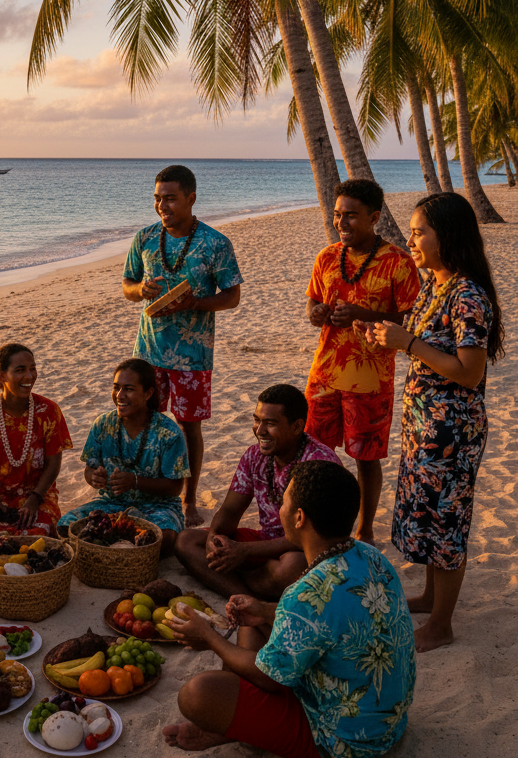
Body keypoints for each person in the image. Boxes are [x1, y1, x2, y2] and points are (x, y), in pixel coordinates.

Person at [163, 460, 416, 758]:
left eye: (283, 502)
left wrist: (209, 637)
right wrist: (266, 610)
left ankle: (229, 725)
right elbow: (334, 619)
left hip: (345, 742)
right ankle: (236, 722)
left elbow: (268, 680)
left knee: (197, 695)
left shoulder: (307, 593)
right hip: (389, 723)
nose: (279, 509)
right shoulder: (370, 556)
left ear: (299, 518)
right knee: (250, 625)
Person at [358, 192, 504, 652]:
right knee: (429, 514)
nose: (411, 239)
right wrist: (387, 337)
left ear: (448, 235)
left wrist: (407, 344)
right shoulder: (436, 285)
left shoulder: (467, 295)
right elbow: (425, 345)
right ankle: (428, 595)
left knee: (447, 521)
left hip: (452, 431)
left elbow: (469, 370)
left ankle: (442, 624)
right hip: (425, 424)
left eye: (420, 231)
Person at [122, 165, 242, 526]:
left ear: (191, 199)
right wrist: (139, 291)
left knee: (190, 427)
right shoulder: (143, 238)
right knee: (145, 423)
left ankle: (189, 499)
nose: (162, 206)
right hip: (148, 352)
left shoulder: (215, 243)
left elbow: (233, 295)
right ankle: (147, 491)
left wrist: (195, 303)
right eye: (158, 198)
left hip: (193, 356)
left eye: (170, 199)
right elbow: (127, 284)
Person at [304, 179, 421, 544]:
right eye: (338, 215)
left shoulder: (398, 263)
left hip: (372, 378)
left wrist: (363, 314)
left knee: (365, 459)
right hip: (324, 373)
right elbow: (311, 303)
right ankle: (318, 524)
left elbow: (414, 321)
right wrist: (317, 312)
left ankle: (365, 527)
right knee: (315, 454)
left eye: (351, 216)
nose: (342, 222)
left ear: (374, 217)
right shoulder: (326, 256)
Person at [175, 384, 340, 600]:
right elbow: (230, 510)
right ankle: (245, 597)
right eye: (257, 420)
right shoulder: (255, 455)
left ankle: (239, 587)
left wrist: (244, 552)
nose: (259, 430)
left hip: (301, 550)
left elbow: (308, 537)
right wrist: (214, 539)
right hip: (264, 542)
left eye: (270, 423)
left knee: (292, 566)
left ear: (297, 426)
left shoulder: (319, 464)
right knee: (186, 541)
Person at [58, 359, 189, 555]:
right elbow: (89, 469)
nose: (120, 395)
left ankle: (113, 549)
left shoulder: (168, 433)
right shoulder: (103, 424)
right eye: (116, 388)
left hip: (157, 507)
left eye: (128, 389)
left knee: (163, 538)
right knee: (65, 526)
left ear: (148, 393)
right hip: (112, 504)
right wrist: (95, 477)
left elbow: (175, 487)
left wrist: (135, 482)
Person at [0, 343, 73, 541]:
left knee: (40, 534)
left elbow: (54, 464)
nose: (29, 376)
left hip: (37, 493)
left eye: (33, 368)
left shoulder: (48, 411)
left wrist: (35, 499)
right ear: (1, 375)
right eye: (20, 370)